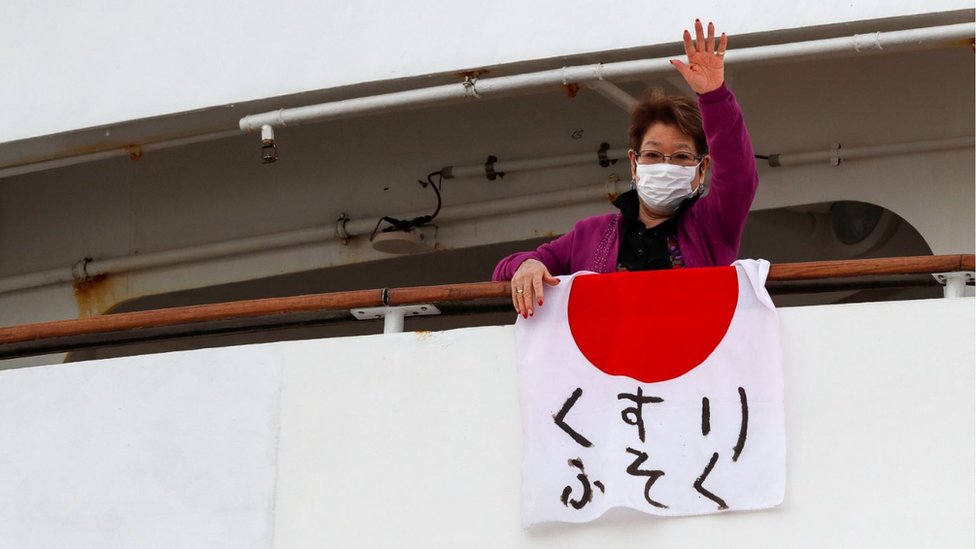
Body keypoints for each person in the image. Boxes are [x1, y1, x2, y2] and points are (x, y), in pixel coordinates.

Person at [493, 19, 758, 318]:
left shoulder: (712, 225)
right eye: (653, 154)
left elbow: (738, 175)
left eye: (681, 157)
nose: (665, 166)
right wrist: (527, 265)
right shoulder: (589, 234)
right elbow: (504, 269)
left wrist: (715, 96)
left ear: (701, 169)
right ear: (634, 163)